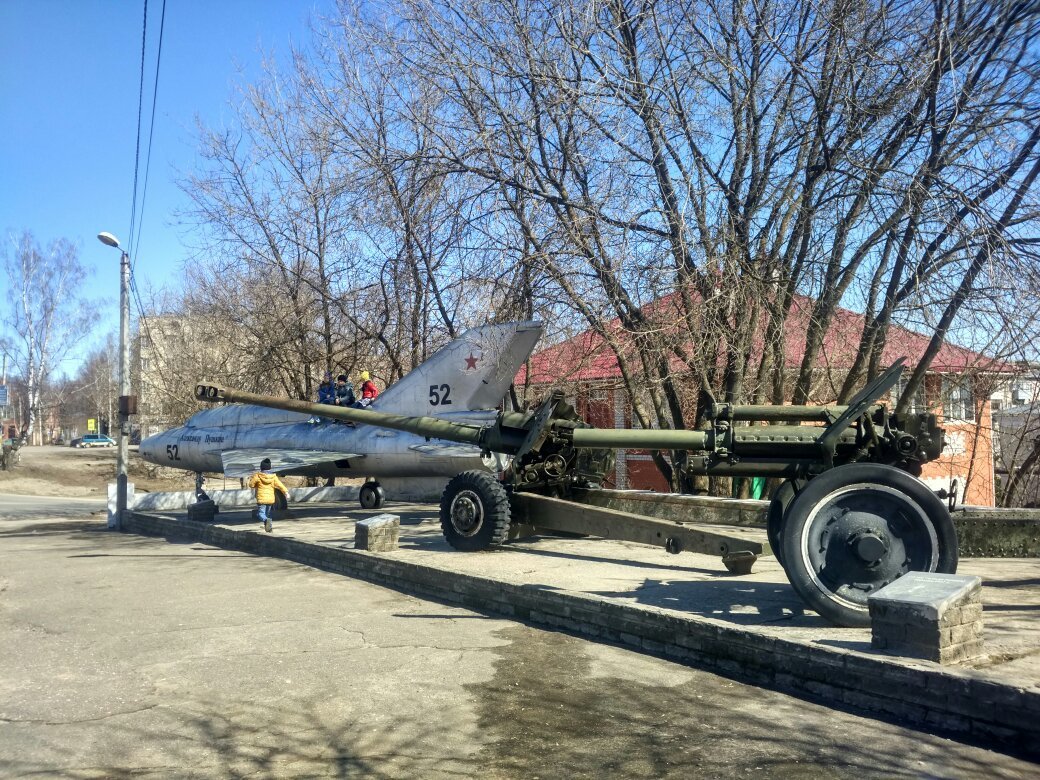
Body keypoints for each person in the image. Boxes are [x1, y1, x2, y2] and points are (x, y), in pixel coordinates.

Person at [248, 458, 288, 533]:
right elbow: (280, 485)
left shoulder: (257, 476)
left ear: (261, 467)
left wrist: (254, 482)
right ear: (270, 467)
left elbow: (251, 485)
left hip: (261, 499)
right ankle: (269, 529)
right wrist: (286, 492)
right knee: (268, 514)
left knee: (260, 514)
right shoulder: (273, 477)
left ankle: (266, 521)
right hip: (270, 499)